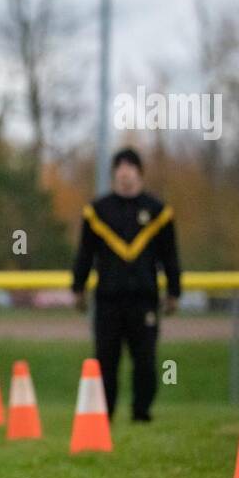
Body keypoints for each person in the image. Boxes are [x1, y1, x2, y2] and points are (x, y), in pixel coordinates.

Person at [70, 148, 181, 423]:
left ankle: (141, 411)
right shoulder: (98, 211)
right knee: (105, 359)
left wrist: (174, 291)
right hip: (109, 298)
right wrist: (78, 287)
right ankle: (104, 412)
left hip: (143, 297)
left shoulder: (158, 211)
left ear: (139, 172)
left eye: (130, 166)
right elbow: (85, 253)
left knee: (145, 359)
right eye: (119, 166)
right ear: (113, 173)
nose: (124, 171)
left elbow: (170, 255)